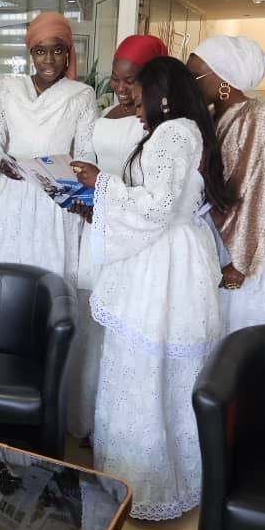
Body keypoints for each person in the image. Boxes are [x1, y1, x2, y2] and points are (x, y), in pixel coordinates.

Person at [72, 56, 230, 520]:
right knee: (164, 375)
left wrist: (101, 184)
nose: (135, 109)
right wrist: (100, 198)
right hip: (178, 257)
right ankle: (168, 476)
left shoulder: (171, 133)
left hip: (161, 266)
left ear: (162, 95)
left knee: (141, 369)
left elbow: (156, 208)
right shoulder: (187, 131)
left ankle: (142, 486)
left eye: (140, 100)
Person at [73, 35, 168, 441]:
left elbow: (151, 192)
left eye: (131, 81)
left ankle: (117, 426)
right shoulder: (108, 111)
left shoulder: (160, 123)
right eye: (115, 79)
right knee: (90, 320)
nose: (121, 89)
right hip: (96, 226)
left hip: (131, 236)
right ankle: (86, 416)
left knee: (120, 325)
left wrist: (104, 195)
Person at [187, 35, 265, 336]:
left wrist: (242, 262)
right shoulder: (212, 117)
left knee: (239, 333)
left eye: (195, 76)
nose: (190, 84)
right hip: (211, 242)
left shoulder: (261, 118)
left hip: (246, 252)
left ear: (224, 79)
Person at [0, 11, 97, 282]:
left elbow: (85, 153)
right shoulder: (10, 88)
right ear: (30, 53)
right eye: (39, 51)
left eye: (57, 50)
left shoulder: (81, 95)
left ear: (68, 52)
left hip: (54, 199)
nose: (48, 60)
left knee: (50, 279)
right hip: (13, 196)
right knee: (7, 279)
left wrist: (74, 194)